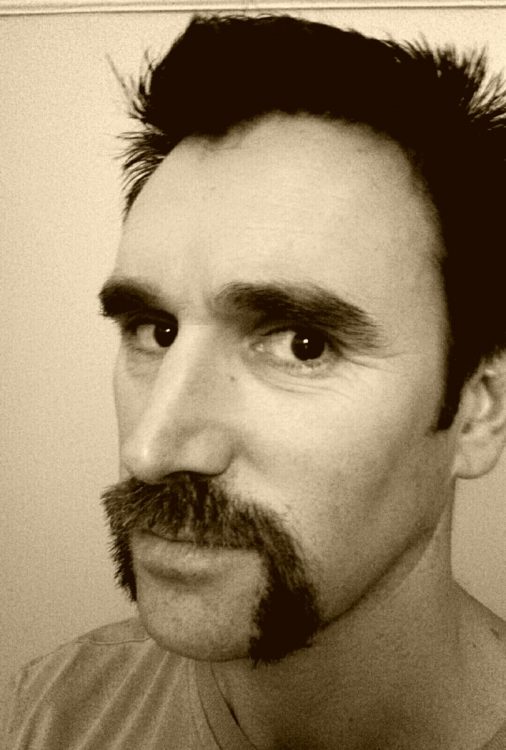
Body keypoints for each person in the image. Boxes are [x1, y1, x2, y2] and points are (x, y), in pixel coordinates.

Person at [3, 12, 506, 750]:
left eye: (303, 345)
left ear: (476, 411)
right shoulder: (49, 713)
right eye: (155, 330)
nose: (151, 450)